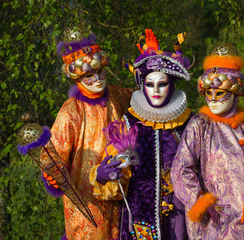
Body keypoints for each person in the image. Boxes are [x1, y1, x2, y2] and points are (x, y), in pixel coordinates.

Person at [170, 43, 244, 239]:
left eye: (220, 93)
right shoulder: (201, 125)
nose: (213, 99)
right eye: (208, 93)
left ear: (235, 92)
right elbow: (180, 168)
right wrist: (200, 201)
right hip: (218, 225)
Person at [89, 29, 193, 240]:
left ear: (172, 85)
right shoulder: (129, 125)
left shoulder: (191, 124)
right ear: (142, 85)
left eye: (162, 84)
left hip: (184, 220)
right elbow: (117, 178)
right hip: (141, 221)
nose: (155, 91)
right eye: (149, 84)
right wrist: (104, 175)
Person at [40, 29, 133, 240]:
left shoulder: (119, 95)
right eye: (89, 75)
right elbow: (53, 153)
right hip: (88, 204)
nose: (98, 78)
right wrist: (53, 174)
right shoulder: (71, 110)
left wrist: (148, 63)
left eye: (100, 72)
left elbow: (145, 99)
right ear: (76, 78)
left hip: (123, 196)